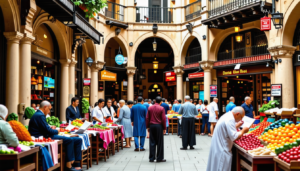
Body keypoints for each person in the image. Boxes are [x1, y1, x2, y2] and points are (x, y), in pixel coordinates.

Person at [29, 101, 82, 171]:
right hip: (45, 137)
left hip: (47, 134)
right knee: (69, 140)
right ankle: (68, 165)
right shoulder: (40, 115)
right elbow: (48, 131)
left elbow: (45, 127)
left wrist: (53, 128)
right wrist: (58, 131)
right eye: (49, 109)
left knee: (78, 140)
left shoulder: (39, 114)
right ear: (45, 107)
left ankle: (76, 163)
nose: (49, 111)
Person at [206, 107, 249, 171]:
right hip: (222, 149)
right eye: (241, 117)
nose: (241, 119)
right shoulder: (230, 119)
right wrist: (243, 130)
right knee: (221, 167)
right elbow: (234, 136)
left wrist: (237, 126)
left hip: (218, 147)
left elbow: (227, 129)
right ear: (237, 114)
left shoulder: (227, 115)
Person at [146, 96, 166, 162]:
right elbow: (163, 119)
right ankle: (159, 158)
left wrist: (148, 127)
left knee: (152, 142)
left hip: (152, 125)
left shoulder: (150, 107)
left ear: (155, 101)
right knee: (160, 142)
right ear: (160, 102)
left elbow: (147, 118)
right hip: (159, 126)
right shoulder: (161, 108)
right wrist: (164, 128)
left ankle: (151, 158)